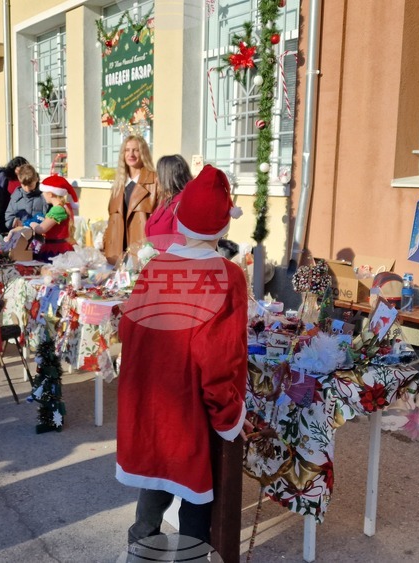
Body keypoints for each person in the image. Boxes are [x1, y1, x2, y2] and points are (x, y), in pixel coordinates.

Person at [116, 164, 250, 555]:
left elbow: (129, 333)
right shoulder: (226, 277)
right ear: (223, 226)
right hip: (190, 408)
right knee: (197, 494)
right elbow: (222, 359)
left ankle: (139, 552)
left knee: (155, 485)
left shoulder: (155, 268)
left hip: (152, 404)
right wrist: (229, 418)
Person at [103, 135, 157, 264]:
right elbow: (111, 220)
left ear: (143, 153)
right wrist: (105, 242)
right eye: (127, 150)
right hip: (118, 253)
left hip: (142, 250)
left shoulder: (154, 181)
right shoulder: (118, 184)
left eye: (136, 150)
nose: (131, 154)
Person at [144, 154, 192, 252]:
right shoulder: (166, 201)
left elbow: (180, 245)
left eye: (159, 175)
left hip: (169, 264)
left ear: (168, 177)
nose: (156, 180)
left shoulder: (182, 205)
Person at [26, 174, 77, 261]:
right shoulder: (65, 206)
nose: (42, 194)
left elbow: (41, 229)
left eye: (43, 192)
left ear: (50, 194)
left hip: (55, 250)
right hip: (62, 247)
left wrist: (32, 224)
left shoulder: (57, 210)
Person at [4, 163, 48, 229]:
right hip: (21, 234)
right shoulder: (16, 197)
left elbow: (50, 216)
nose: (27, 188)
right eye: (24, 185)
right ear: (19, 181)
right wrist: (13, 221)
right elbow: (9, 215)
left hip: (39, 234)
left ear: (36, 179)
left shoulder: (44, 196)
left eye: (30, 185)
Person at [0, 156, 28, 232]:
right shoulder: (4, 176)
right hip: (6, 209)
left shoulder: (25, 178)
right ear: (14, 167)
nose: (22, 170)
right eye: (19, 167)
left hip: (21, 211)